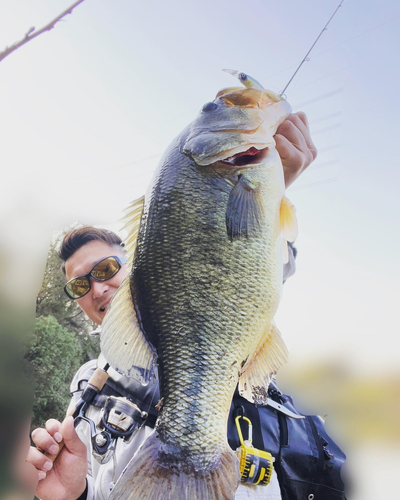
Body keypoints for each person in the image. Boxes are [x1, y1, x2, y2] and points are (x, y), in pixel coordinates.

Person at [27, 113, 346, 500]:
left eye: (107, 268)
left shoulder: (206, 297)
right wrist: (73, 492)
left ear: (140, 263)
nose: (96, 288)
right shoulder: (87, 383)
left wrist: (266, 192)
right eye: (79, 284)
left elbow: (243, 267)